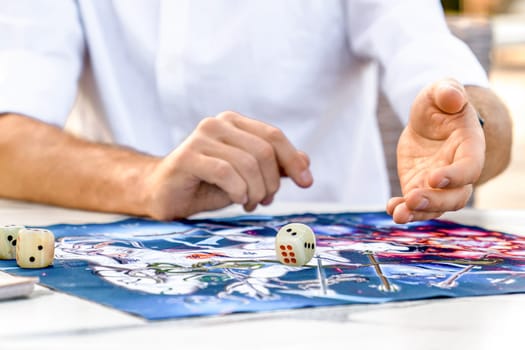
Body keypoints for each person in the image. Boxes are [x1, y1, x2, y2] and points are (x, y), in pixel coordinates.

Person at [0, 1, 512, 224]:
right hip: (116, 263)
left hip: (335, 280)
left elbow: (445, 70)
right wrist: (146, 181)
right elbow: (8, 139)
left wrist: (469, 130)